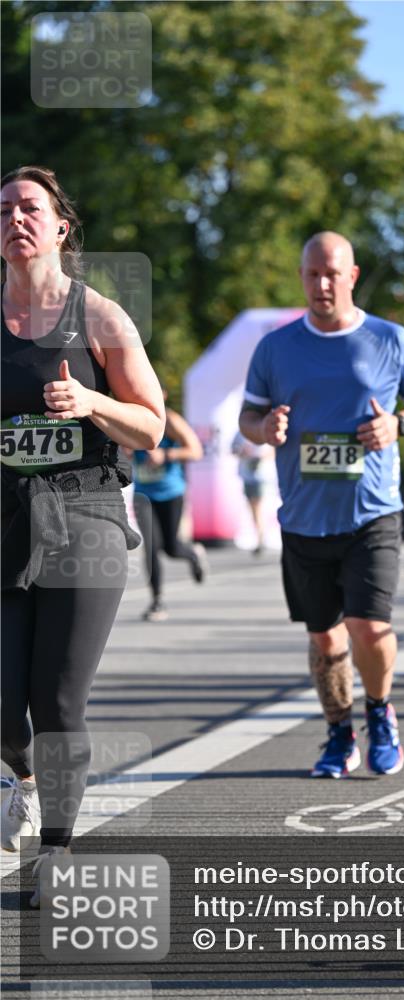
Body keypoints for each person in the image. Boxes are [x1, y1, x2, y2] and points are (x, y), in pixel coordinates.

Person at [1, 166, 165, 903]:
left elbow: (152, 425)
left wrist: (92, 399)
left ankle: (57, 850)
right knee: (6, 704)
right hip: (6, 518)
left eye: (29, 208)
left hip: (86, 517)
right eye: (3, 211)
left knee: (58, 698)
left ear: (61, 227)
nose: (15, 221)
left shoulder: (98, 316)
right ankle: (20, 776)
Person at [239, 231, 404, 778]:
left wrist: (397, 424)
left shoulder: (390, 339)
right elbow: (248, 420)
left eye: (333, 273)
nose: (322, 284)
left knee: (368, 626)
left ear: (352, 276)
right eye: (312, 274)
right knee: (325, 638)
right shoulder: (276, 348)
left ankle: (380, 711)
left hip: (372, 509)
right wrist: (266, 428)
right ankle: (337, 734)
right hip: (304, 516)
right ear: (302, 277)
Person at [132, 390, 207, 621]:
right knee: (151, 547)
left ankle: (193, 555)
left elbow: (195, 451)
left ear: (162, 395)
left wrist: (165, 455)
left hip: (171, 492)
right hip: (143, 494)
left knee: (172, 548)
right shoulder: (131, 417)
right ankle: (157, 601)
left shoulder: (171, 420)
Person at [231, 431, 275, 555]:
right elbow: (233, 449)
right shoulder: (240, 433)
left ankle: (261, 538)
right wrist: (243, 452)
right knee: (252, 508)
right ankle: (259, 536)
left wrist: (260, 457)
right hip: (247, 475)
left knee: (257, 507)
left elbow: (274, 451)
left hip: (262, 476)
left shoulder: (266, 429)